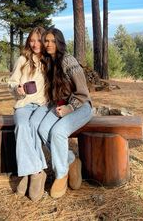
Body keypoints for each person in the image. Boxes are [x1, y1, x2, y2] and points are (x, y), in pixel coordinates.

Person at [38, 27, 93, 199]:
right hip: (60, 106)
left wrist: (70, 107)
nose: (49, 44)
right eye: (46, 40)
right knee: (42, 130)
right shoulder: (48, 62)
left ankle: (61, 175)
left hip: (81, 107)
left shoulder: (68, 60)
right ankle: (71, 160)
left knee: (58, 132)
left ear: (59, 42)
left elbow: (83, 92)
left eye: (53, 41)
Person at [8, 26, 49, 202]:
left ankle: (26, 174)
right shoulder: (22, 60)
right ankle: (37, 172)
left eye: (38, 40)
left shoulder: (50, 60)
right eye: (31, 40)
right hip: (23, 105)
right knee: (22, 126)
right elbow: (12, 83)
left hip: (43, 105)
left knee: (34, 126)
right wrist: (17, 89)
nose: (34, 44)